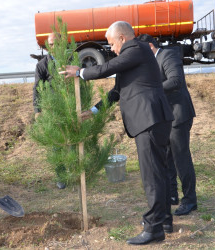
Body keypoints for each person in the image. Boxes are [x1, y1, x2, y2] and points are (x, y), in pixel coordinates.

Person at [61, 21, 174, 245]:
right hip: (152, 119)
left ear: (122, 38)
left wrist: (81, 71)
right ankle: (164, 221)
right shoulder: (135, 58)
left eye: (112, 44)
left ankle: (154, 229)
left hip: (149, 119)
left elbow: (105, 69)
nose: (111, 49)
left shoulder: (137, 48)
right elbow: (117, 92)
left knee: (152, 176)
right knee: (157, 173)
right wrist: (94, 110)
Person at [138, 34, 197, 216]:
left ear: (150, 46)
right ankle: (172, 195)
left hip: (179, 114)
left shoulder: (168, 55)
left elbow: (175, 81)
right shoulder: (150, 61)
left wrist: (150, 90)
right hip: (165, 116)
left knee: (181, 158)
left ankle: (190, 200)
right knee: (166, 156)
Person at [33, 32, 66, 189]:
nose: (53, 47)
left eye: (56, 44)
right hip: (53, 110)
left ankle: (77, 173)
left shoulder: (71, 60)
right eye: (51, 44)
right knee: (57, 144)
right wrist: (37, 110)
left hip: (71, 107)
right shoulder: (42, 65)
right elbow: (37, 89)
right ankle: (61, 177)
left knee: (75, 143)